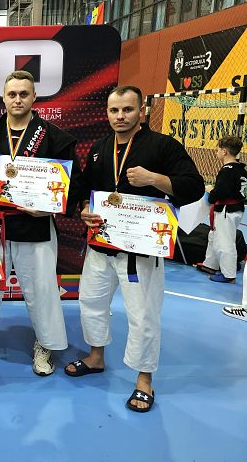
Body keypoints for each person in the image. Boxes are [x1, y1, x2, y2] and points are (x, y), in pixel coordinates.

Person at [65, 85, 204, 412]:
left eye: (127, 109)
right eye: (114, 110)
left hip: (140, 249)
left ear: (142, 111)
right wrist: (83, 209)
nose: (120, 116)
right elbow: (85, 189)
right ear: (107, 113)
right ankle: (96, 356)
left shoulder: (163, 146)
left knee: (143, 314)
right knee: (91, 303)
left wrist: (155, 179)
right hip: (102, 243)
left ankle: (144, 380)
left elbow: (194, 186)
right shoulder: (100, 148)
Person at [0, 70, 82, 376]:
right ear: (3, 99)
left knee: (41, 288)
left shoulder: (54, 137)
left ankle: (46, 344)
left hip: (35, 224)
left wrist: (51, 209)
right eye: (12, 94)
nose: (17, 99)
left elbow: (74, 184)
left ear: (34, 97)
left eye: (24, 94)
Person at [195, 136, 247, 283]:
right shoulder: (241, 169)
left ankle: (228, 275)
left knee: (224, 242)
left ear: (224, 152)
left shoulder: (227, 170)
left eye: (218, 149)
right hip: (235, 208)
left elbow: (220, 192)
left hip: (227, 210)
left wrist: (211, 193)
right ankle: (210, 265)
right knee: (214, 236)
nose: (216, 152)